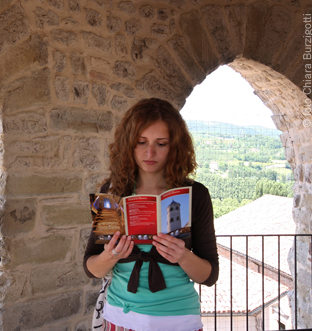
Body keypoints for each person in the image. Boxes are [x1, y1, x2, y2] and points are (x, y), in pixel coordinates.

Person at [83, 98, 219, 331]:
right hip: (121, 316)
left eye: (161, 143)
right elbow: (92, 268)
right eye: (141, 142)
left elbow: (209, 276)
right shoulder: (113, 192)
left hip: (178, 318)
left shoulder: (195, 194)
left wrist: (183, 256)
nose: (150, 152)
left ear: (175, 146)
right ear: (129, 144)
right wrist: (112, 255)